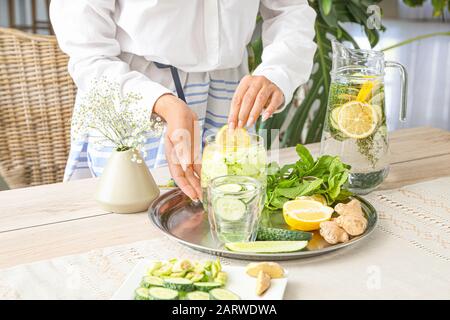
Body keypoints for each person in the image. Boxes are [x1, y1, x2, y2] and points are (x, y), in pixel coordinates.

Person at [50, 0, 316, 201]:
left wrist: (277, 72)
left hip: (228, 98)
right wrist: (161, 103)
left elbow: (290, 9)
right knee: (127, 236)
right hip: (136, 96)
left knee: (230, 224)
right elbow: (87, 53)